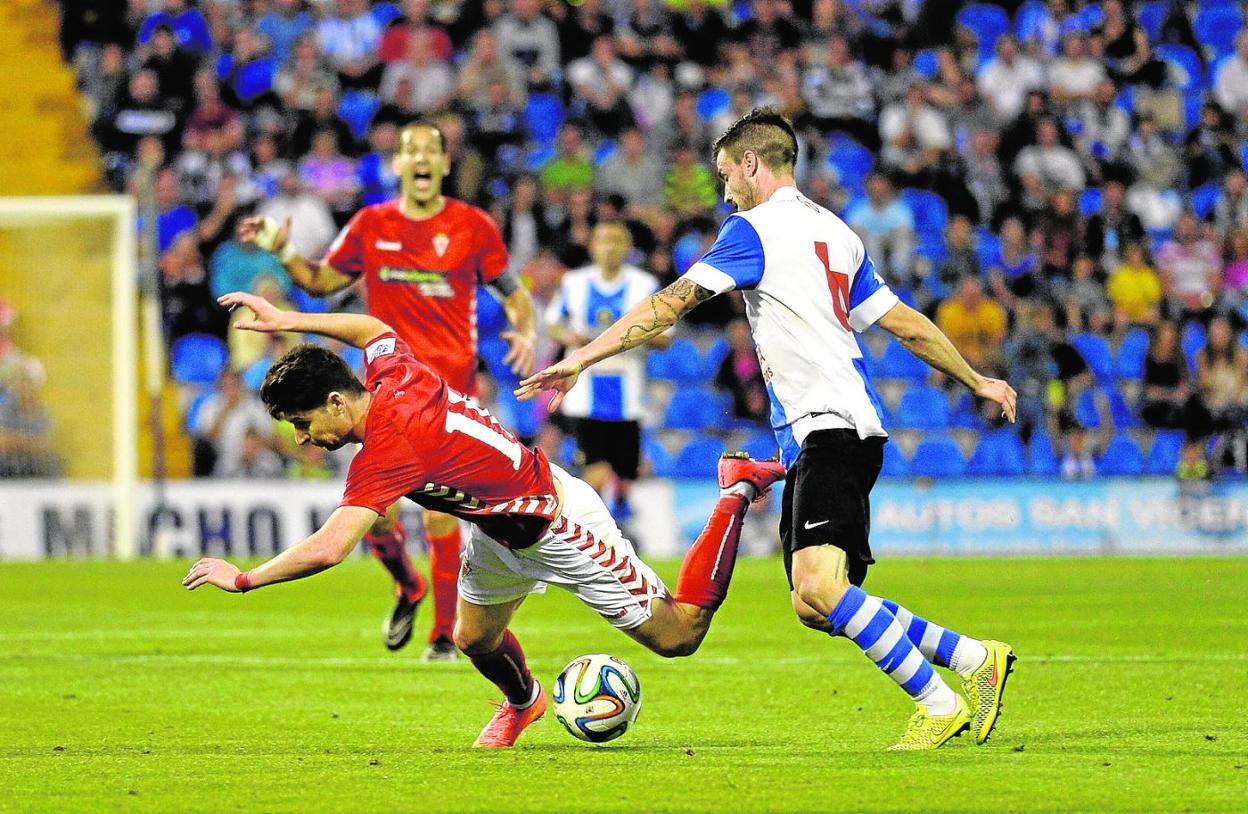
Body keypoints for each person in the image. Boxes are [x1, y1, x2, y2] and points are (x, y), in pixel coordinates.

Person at [518, 108, 1020, 751]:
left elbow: (670, 302)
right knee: (813, 604)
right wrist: (975, 379)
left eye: (727, 174)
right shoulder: (837, 233)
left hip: (828, 427)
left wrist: (583, 356)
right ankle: (976, 659)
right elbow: (905, 323)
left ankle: (939, 701)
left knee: (819, 586)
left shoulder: (753, 229)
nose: (725, 190)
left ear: (752, 163)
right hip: (842, 429)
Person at [183, 292, 785, 749]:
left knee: (679, 635)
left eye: (303, 421)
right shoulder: (392, 375)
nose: (304, 437)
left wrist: (245, 579)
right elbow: (373, 328)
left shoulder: (391, 444)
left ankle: (734, 492)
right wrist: (289, 320)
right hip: (500, 529)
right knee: (474, 638)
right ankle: (524, 702)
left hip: (554, 523)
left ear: (337, 401)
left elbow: (331, 547)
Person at [239, 121, 539, 660]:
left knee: (441, 513)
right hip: (382, 389)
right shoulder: (371, 224)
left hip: (448, 392)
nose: (421, 158)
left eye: (431, 150)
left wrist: (526, 328)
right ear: (397, 164)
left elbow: (513, 292)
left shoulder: (473, 226)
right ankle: (408, 584)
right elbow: (321, 283)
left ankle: (443, 636)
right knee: (376, 515)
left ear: (445, 164)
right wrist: (284, 252)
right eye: (410, 151)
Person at [546, 222, 668, 521]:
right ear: (592, 247)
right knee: (595, 472)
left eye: (616, 241)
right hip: (584, 395)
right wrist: (570, 338)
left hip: (629, 396)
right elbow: (552, 323)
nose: (609, 247)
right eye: (602, 240)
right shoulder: (574, 282)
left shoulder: (645, 286)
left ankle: (616, 515)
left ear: (627, 248)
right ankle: (594, 526)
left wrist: (631, 336)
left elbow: (665, 337)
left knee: (626, 475)